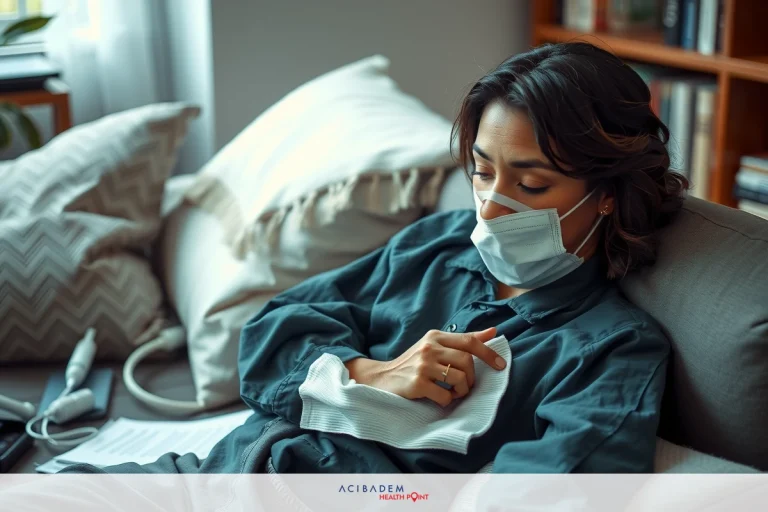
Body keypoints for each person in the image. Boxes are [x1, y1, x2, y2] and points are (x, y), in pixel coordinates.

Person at [61, 41, 687, 477]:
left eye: (530, 186)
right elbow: (267, 339)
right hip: (218, 470)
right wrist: (369, 372)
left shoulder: (611, 351)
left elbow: (554, 490)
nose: (491, 209)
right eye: (482, 173)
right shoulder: (436, 245)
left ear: (606, 194)